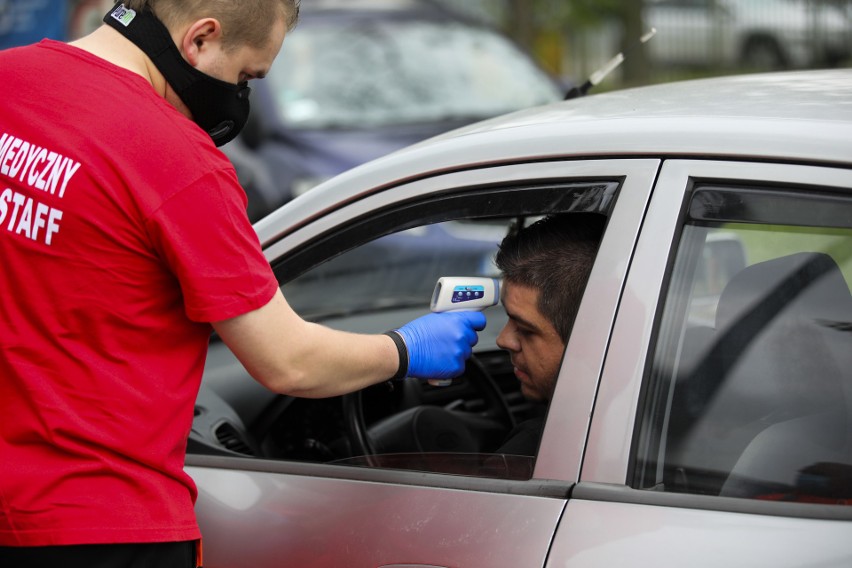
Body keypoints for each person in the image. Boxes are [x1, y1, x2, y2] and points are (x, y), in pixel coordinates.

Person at [0, 1, 485, 566]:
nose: (239, 97)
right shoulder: (175, 161)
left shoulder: (10, 79)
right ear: (202, 39)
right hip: (103, 523)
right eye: (246, 75)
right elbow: (288, 362)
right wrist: (405, 349)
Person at [492, 213, 605, 456]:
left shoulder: (538, 456)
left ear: (586, 340)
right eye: (508, 318)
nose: (503, 340)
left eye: (525, 329)